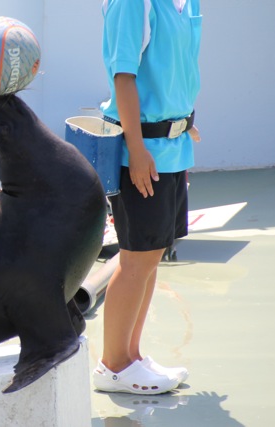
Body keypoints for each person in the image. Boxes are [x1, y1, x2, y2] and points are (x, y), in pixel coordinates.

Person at [93, 0, 203, 395]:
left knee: (152, 253)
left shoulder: (187, 2)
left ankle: (132, 356)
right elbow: (123, 76)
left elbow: (180, 69)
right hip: (142, 151)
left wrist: (186, 125)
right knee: (136, 256)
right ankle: (113, 365)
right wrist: (136, 150)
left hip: (173, 150)